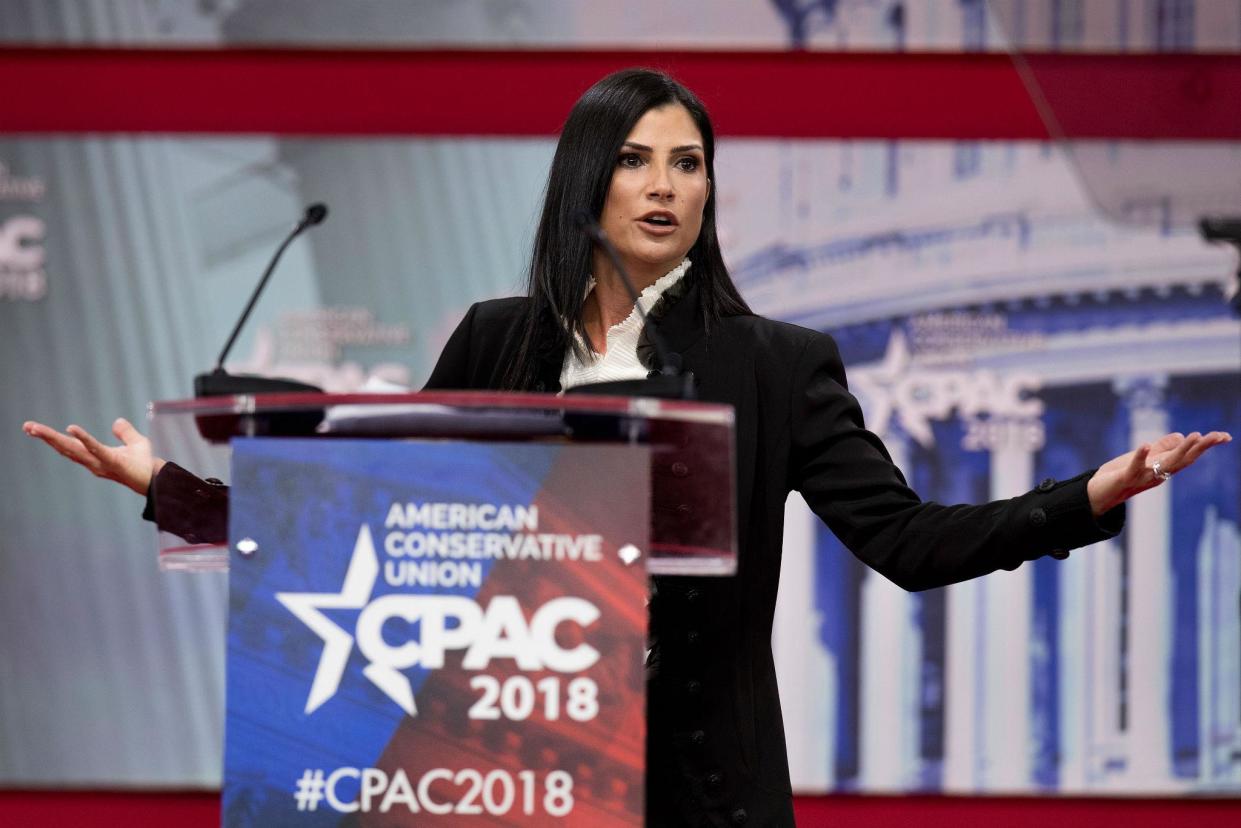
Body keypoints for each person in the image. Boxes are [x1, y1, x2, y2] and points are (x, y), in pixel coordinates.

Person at [23, 69, 1232, 826]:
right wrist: (172, 493)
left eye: (688, 163)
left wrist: (1089, 493)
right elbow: (382, 549)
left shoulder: (774, 361)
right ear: (582, 183)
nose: (664, 187)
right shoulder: (495, 343)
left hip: (699, 796)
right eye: (636, 159)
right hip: (511, 782)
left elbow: (907, 540)